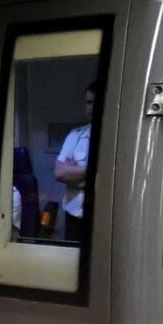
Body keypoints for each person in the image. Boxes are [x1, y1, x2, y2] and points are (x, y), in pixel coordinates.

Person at [54, 82, 96, 243]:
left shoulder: (119, 137)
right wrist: (92, 172)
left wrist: (75, 177)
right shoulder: (75, 135)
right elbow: (59, 172)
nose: (92, 107)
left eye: (96, 102)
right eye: (89, 102)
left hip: (102, 218)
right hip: (74, 215)